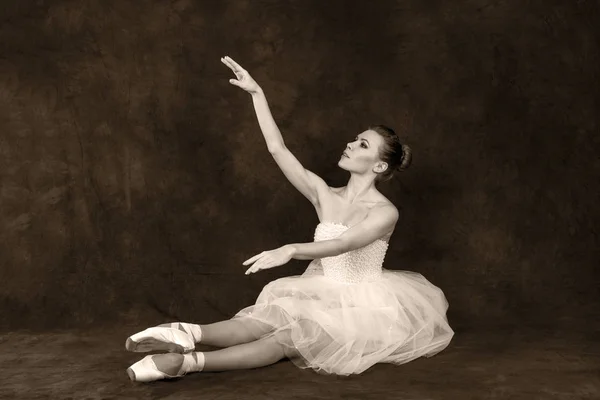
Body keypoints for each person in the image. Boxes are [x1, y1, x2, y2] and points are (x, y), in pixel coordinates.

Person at [124, 56, 454, 382]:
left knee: (287, 338)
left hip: (366, 309)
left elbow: (342, 244)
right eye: (355, 139)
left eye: (362, 144)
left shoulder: (384, 212)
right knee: (263, 321)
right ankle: (187, 332)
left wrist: (290, 250)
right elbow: (277, 149)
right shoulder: (325, 194)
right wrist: (257, 94)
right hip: (321, 290)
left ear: (379, 166)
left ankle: (187, 363)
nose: (350, 144)